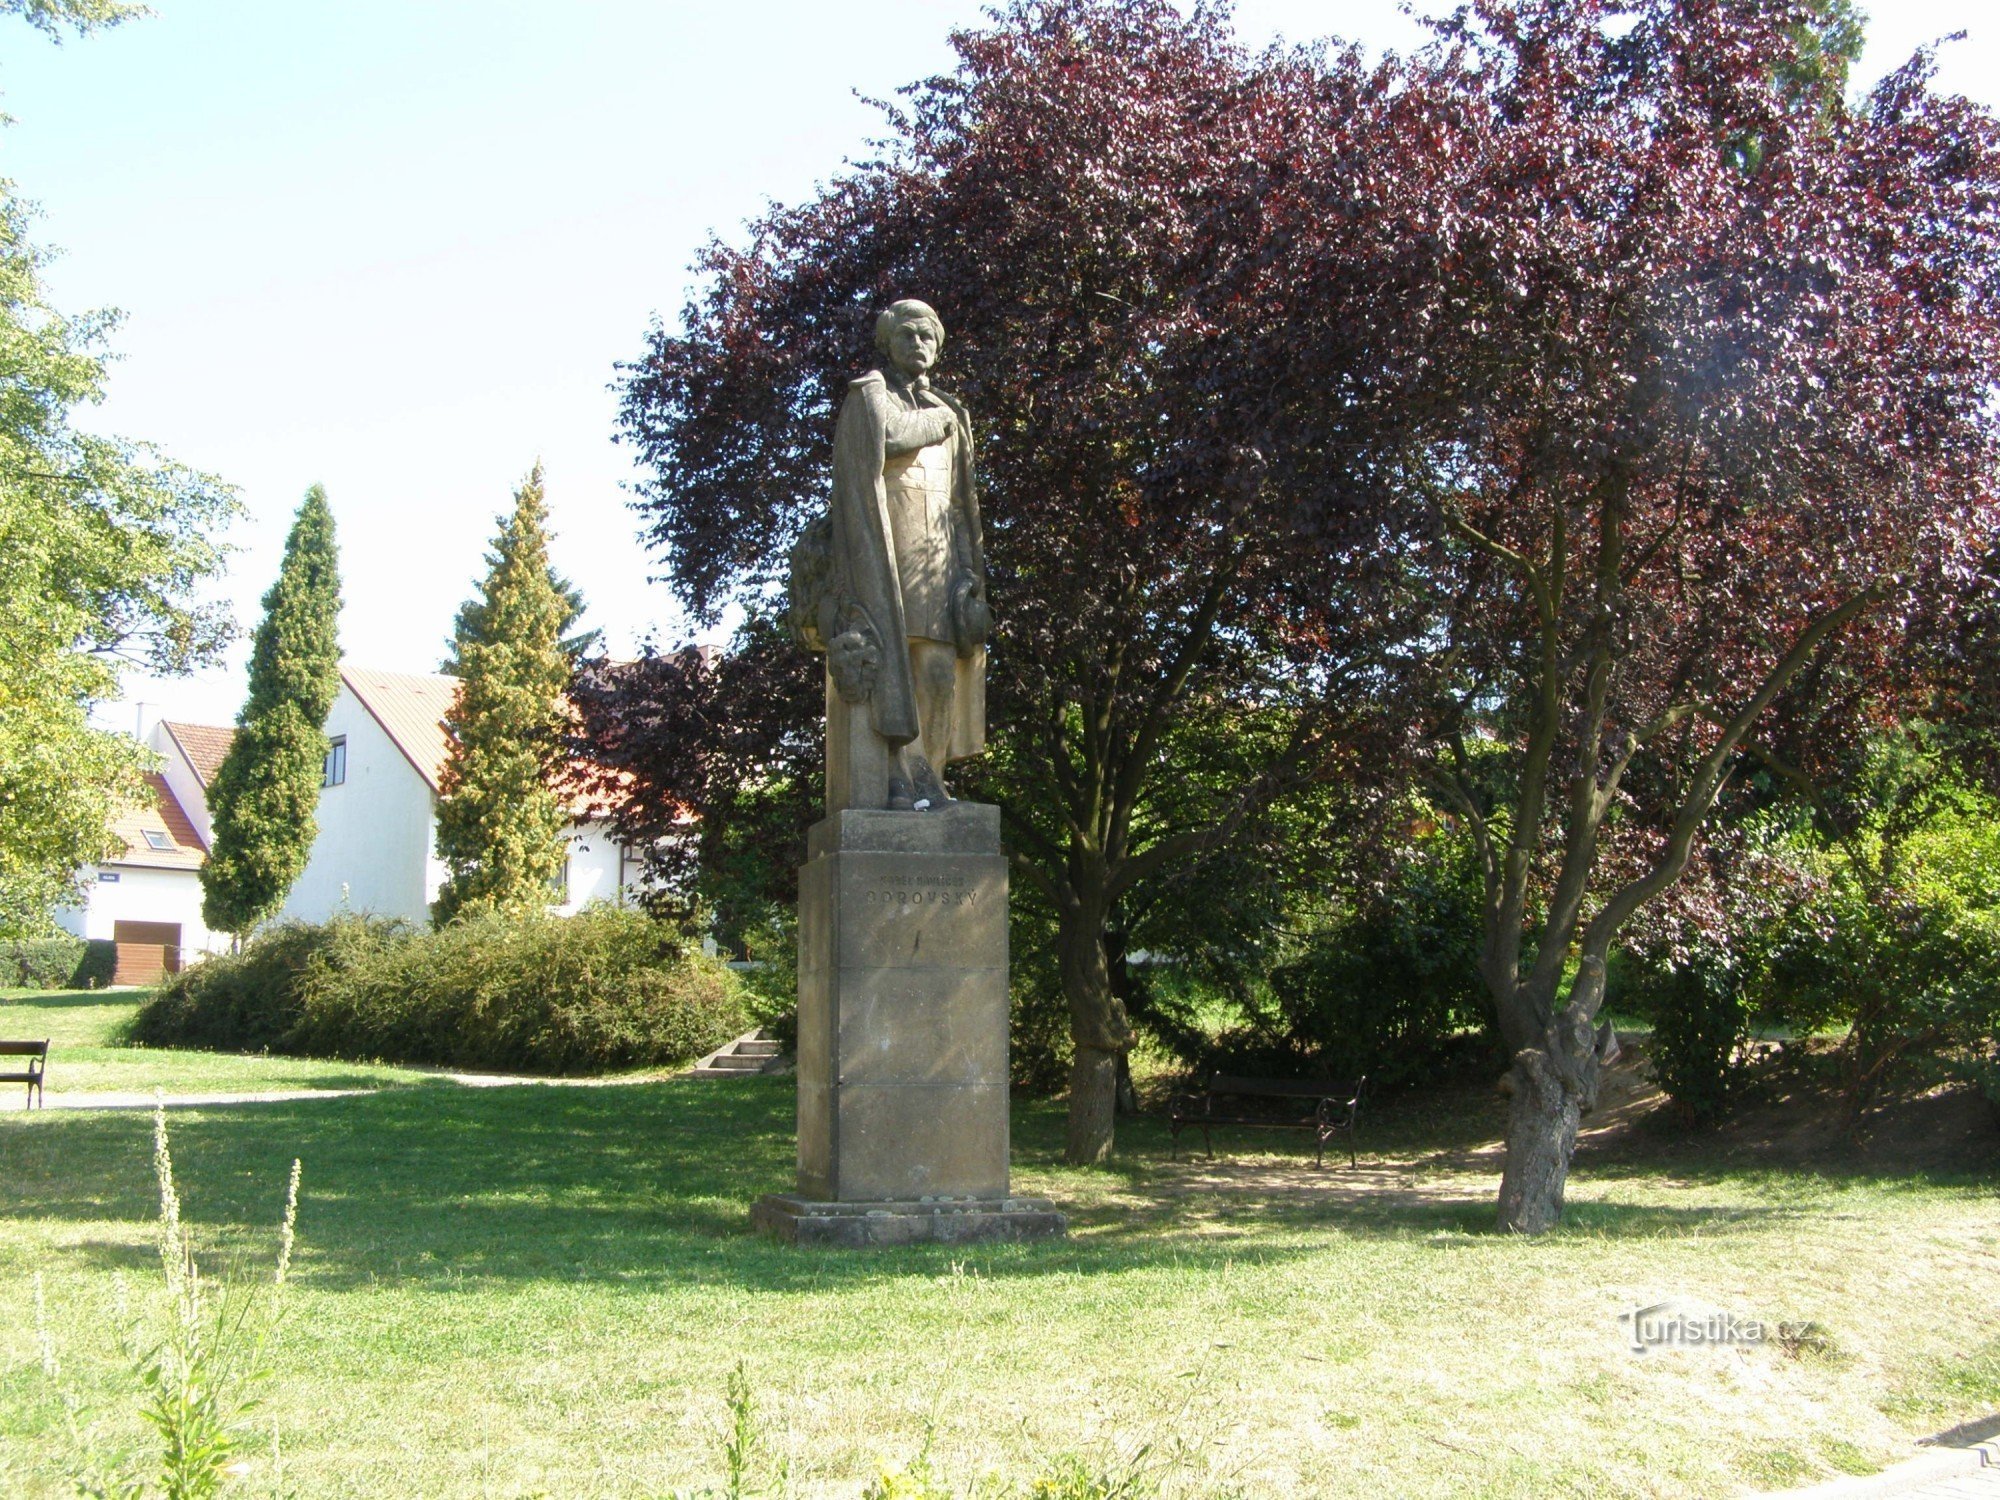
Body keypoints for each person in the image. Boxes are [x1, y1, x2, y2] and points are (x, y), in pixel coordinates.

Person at [796, 298, 988, 811]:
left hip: (939, 562)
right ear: (888, 342)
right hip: (885, 554)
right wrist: (935, 424)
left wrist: (970, 570)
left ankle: (932, 778)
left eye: (927, 335)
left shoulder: (953, 411)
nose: (918, 344)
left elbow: (962, 504)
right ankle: (898, 779)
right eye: (907, 335)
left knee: (938, 675)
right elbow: (886, 439)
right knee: (892, 672)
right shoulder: (872, 397)